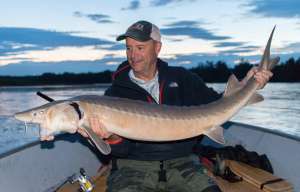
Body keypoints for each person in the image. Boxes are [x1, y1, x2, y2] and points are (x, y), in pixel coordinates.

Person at [78, 20, 273, 192]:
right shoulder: (114, 94)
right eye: (128, 48)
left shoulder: (182, 78)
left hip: (184, 163)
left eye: (140, 47)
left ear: (157, 48)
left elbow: (220, 103)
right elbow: (120, 151)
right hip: (133, 167)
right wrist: (109, 137)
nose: (133, 55)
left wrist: (249, 82)